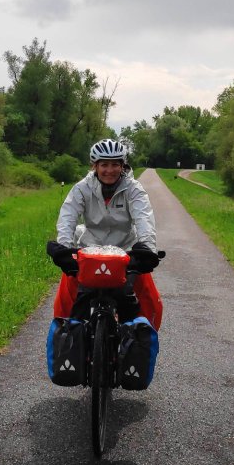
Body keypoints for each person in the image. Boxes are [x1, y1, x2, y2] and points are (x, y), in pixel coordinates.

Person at [46, 138, 163, 329]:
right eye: (104, 165)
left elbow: (144, 219)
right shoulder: (82, 188)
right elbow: (68, 216)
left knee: (149, 299)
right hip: (89, 250)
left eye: (115, 164)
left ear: (122, 166)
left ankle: (143, 342)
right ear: (95, 166)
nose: (110, 170)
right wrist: (64, 247)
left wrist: (148, 249)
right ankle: (65, 335)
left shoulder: (133, 189)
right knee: (66, 295)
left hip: (125, 251)